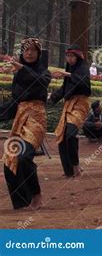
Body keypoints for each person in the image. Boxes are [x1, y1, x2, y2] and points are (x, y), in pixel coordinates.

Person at [1, 37, 51, 210]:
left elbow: (39, 82)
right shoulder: (17, 77)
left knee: (23, 158)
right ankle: (22, 202)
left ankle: (36, 195)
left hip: (36, 120)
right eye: (26, 50)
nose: (29, 53)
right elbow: (14, 103)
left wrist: (22, 68)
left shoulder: (45, 73)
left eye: (33, 50)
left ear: (38, 53)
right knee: (9, 160)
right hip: (20, 120)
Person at [50, 44, 91, 179]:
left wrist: (66, 74)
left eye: (72, 56)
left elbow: (82, 81)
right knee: (62, 136)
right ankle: (68, 171)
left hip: (80, 104)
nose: (70, 59)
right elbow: (65, 88)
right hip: (68, 104)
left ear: (78, 57)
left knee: (70, 133)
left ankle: (75, 165)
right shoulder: (69, 69)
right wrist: (51, 98)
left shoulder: (84, 68)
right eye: (67, 56)